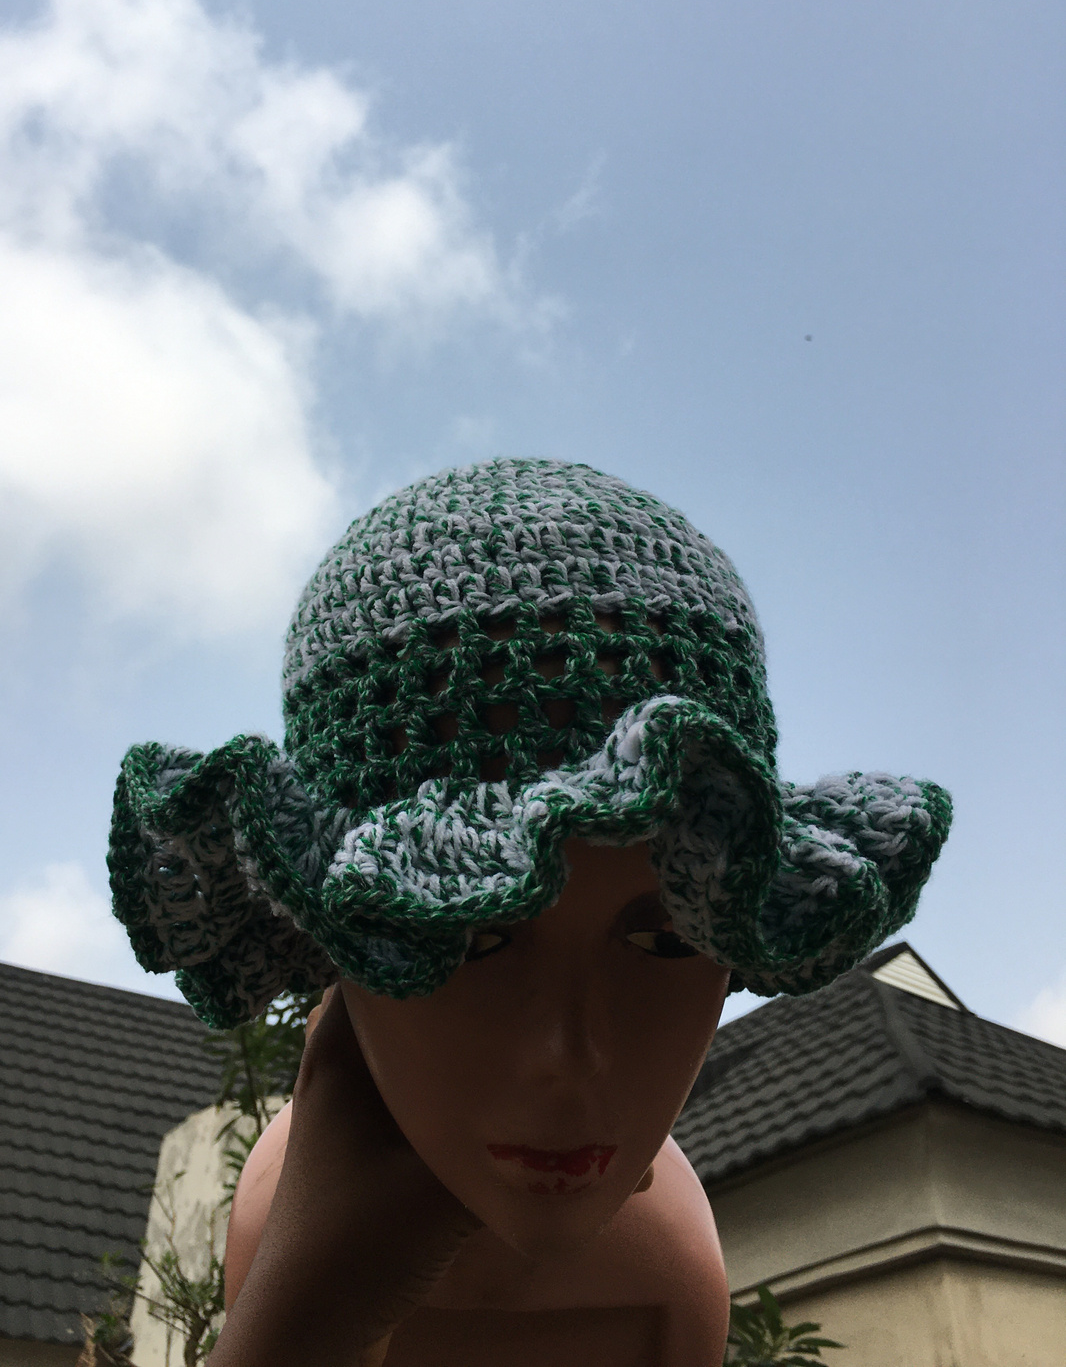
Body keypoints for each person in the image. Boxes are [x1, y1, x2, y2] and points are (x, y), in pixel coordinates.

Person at [109, 459, 951, 1365]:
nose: (569, 1054)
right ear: (340, 932)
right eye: (473, 936)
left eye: (664, 937)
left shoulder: (670, 1263)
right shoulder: (284, 1222)